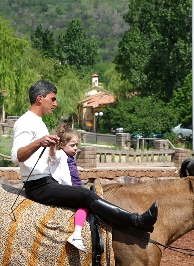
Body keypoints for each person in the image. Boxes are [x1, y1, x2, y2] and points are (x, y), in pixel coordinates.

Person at [11, 80, 158, 233]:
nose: (55, 103)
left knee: (90, 193)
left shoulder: (38, 122)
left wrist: (50, 145)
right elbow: (16, 156)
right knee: (86, 195)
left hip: (48, 181)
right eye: (53, 99)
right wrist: (39, 142)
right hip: (38, 186)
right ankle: (137, 221)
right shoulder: (25, 122)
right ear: (40, 98)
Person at [48, 124, 88, 251]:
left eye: (76, 145)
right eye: (72, 145)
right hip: (66, 191)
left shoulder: (70, 157)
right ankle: (76, 235)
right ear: (61, 145)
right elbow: (53, 155)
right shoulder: (60, 155)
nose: (75, 148)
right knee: (86, 205)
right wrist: (52, 146)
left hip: (75, 189)